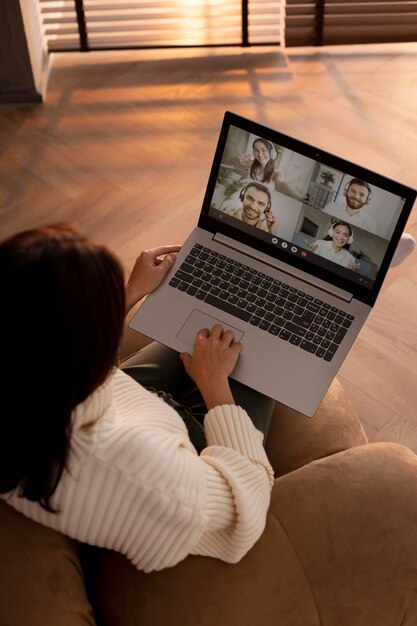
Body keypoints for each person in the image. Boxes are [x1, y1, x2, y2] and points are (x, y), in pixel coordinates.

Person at [0, 224, 275, 574]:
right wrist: (214, 383)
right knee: (253, 349)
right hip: (157, 452)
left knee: (200, 334)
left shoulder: (25, 373)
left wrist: (130, 293)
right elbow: (242, 514)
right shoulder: (142, 476)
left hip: (115, 410)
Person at [235, 137, 304, 201]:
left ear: (272, 153)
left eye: (263, 150)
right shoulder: (251, 164)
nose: (260, 154)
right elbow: (238, 164)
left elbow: (280, 183)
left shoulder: (276, 174)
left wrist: (300, 199)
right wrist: (238, 160)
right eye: (257, 150)